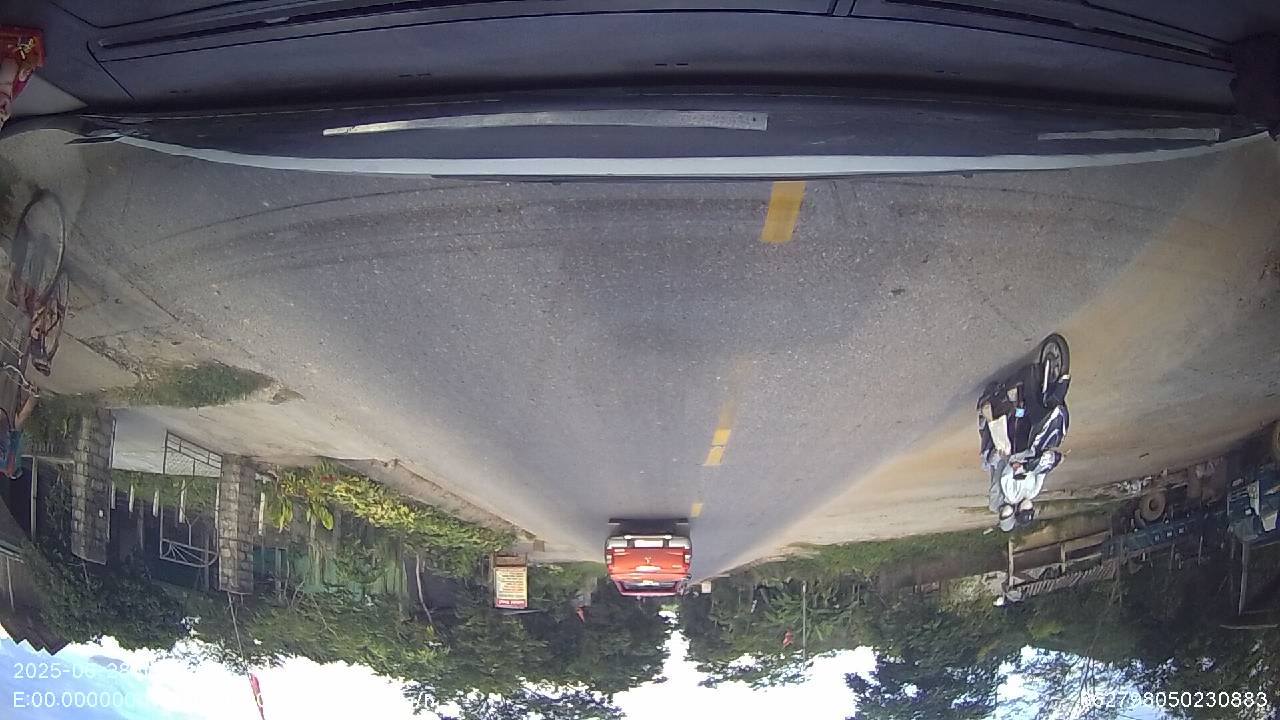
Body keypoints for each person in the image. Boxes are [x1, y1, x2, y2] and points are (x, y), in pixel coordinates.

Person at [0, 378, 37, 479]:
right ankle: (32, 394)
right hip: (7, 432)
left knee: (21, 416)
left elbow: (13, 448)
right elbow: (13, 448)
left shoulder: (8, 468)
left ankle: (33, 394)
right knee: (20, 416)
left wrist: (17, 433)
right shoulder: (7, 467)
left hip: (8, 433)